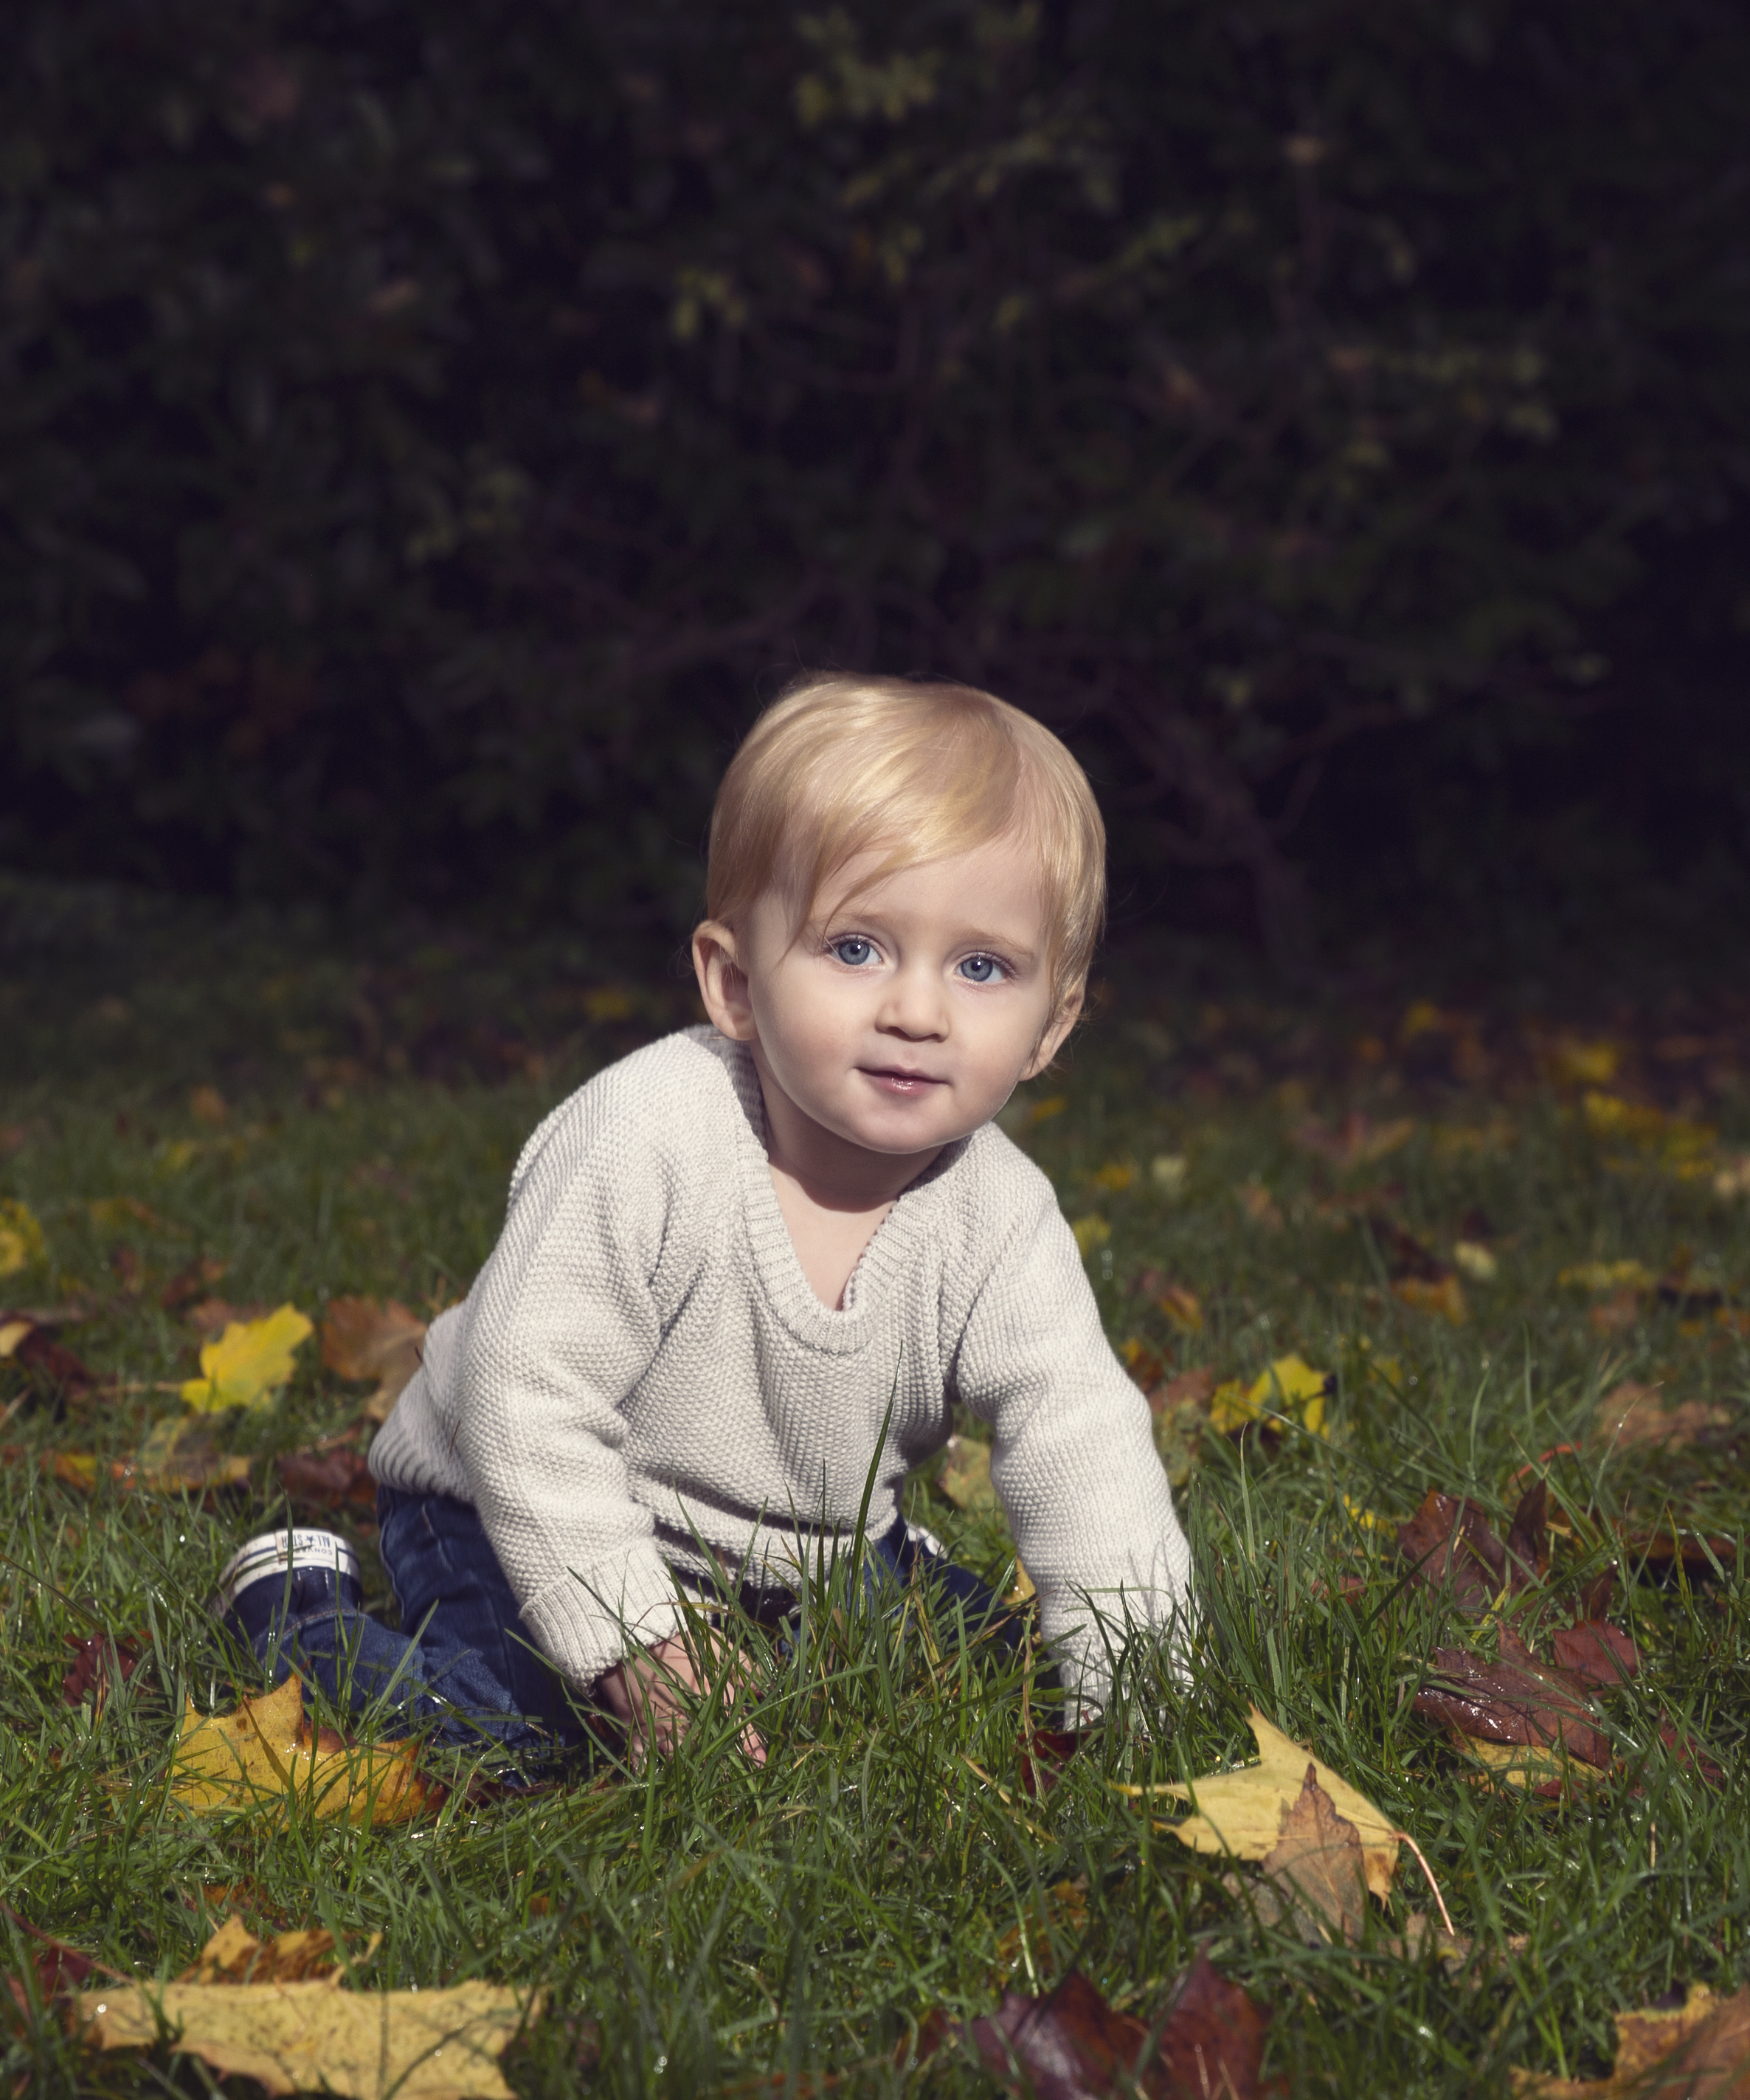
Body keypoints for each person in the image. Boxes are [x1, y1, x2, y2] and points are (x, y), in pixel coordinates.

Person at [212, 672, 1197, 1767]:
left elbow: (1085, 1444)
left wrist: (1143, 1701)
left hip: (802, 1554)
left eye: (981, 967)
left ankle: (868, 1596)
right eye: (857, 947)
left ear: (1052, 1024)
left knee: (1001, 1676)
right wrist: (641, 1651)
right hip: (511, 1503)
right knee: (521, 1727)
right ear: (734, 982)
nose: (917, 1011)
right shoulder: (652, 1137)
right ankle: (297, 1610)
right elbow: (523, 1402)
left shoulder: (1001, 1220)